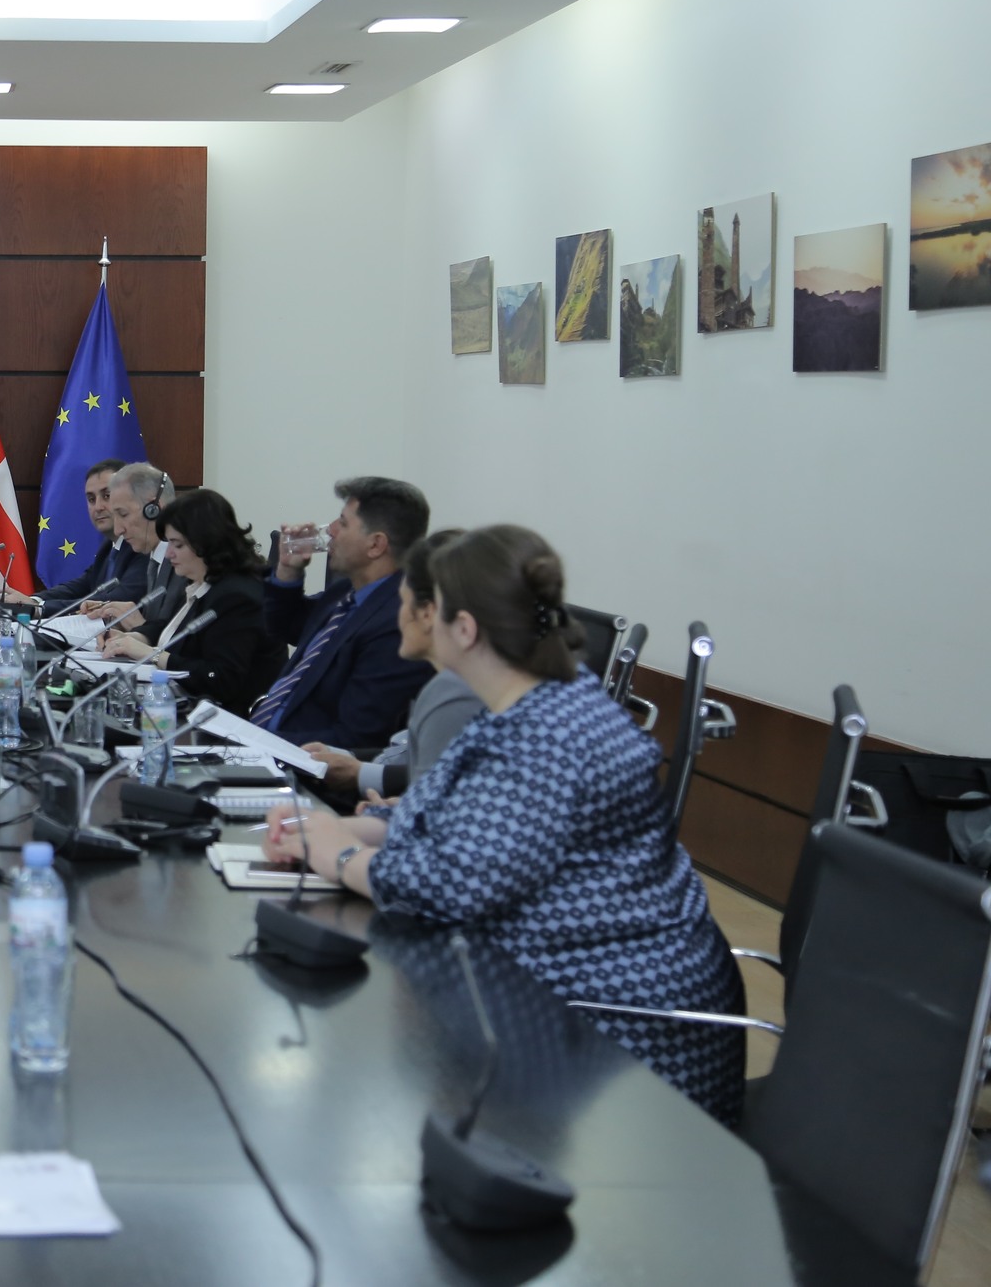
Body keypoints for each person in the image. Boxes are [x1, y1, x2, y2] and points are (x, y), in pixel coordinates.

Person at [261, 525, 747, 1124]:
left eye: (415, 604)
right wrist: (334, 829)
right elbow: (449, 815)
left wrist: (337, 855)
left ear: (464, 629)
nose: (406, 615)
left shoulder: (546, 733)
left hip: (618, 1027)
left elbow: (451, 886)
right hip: (550, 993)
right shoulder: (528, 704)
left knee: (381, 1075)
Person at [250, 475, 434, 749]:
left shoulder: (397, 624)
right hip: (267, 741)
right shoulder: (345, 592)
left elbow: (355, 738)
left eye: (343, 523)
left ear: (376, 545)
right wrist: (288, 571)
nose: (331, 531)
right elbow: (286, 627)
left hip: (300, 760)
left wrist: (259, 743)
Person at [306, 528, 484, 805]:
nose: (395, 615)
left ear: (427, 613)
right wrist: (346, 757)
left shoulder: (453, 690)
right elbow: (411, 757)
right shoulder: (457, 681)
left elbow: (429, 809)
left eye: (401, 601)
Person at [96, 488, 286, 716]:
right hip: (191, 707)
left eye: (177, 545)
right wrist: (135, 638)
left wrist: (152, 654)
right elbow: (178, 628)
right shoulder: (208, 582)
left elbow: (219, 678)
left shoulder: (237, 596)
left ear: (205, 542)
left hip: (228, 722)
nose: (169, 555)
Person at [14, 458, 147, 609]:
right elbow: (82, 585)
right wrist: (34, 600)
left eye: (107, 496)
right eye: (91, 499)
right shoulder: (109, 547)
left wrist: (40, 608)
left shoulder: (142, 546)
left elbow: (114, 601)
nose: (98, 507)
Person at [79, 462, 181, 630]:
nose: (118, 530)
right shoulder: (156, 563)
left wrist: (141, 630)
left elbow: (187, 641)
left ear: (154, 509)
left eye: (123, 514)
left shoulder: (186, 568)